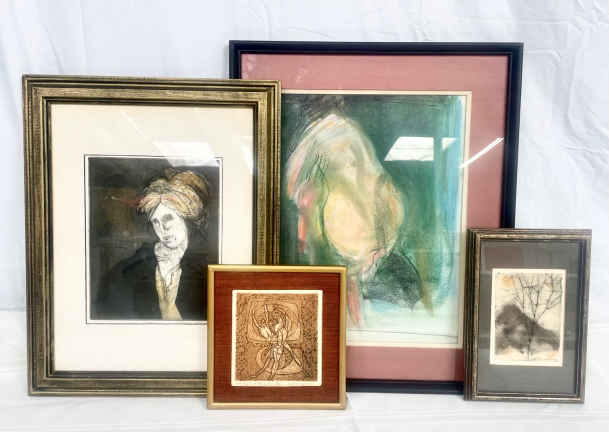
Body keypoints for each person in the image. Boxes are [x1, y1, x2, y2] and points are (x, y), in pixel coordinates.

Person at [92, 169, 212, 321]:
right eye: (156, 222)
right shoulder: (136, 268)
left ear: (187, 218)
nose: (163, 228)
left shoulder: (205, 269)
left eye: (168, 218)